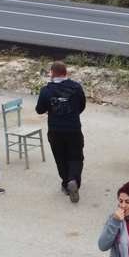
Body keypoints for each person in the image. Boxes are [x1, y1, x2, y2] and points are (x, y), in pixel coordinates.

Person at [36, 61, 88, 202]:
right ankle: (74, 180)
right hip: (73, 129)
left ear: (52, 73)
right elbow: (81, 106)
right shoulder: (77, 88)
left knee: (60, 157)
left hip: (55, 130)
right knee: (76, 157)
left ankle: (66, 184)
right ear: (66, 72)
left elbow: (39, 109)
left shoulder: (46, 91)